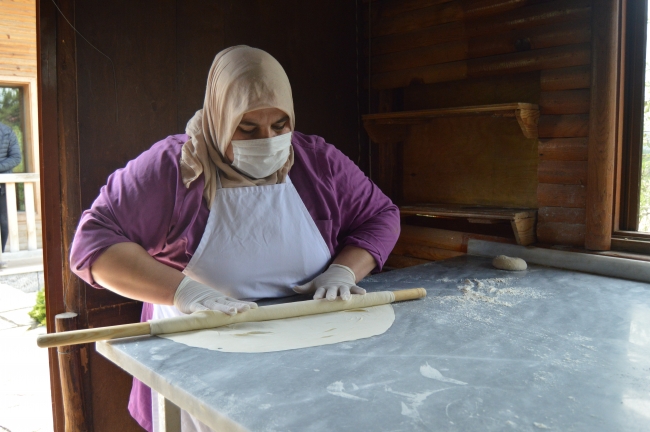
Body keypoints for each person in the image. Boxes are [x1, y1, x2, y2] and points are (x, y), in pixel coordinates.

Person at [70, 46, 400, 432]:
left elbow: (380, 216)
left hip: (309, 351)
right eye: (247, 129)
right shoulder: (173, 168)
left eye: (280, 126)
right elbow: (93, 245)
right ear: (218, 117)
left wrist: (344, 271)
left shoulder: (318, 162)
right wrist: (185, 293)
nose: (267, 141)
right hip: (199, 358)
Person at [0, 121, 22, 264]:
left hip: (3, 187)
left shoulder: (7, 132)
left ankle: (0, 255)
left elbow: (16, 157)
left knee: (3, 222)